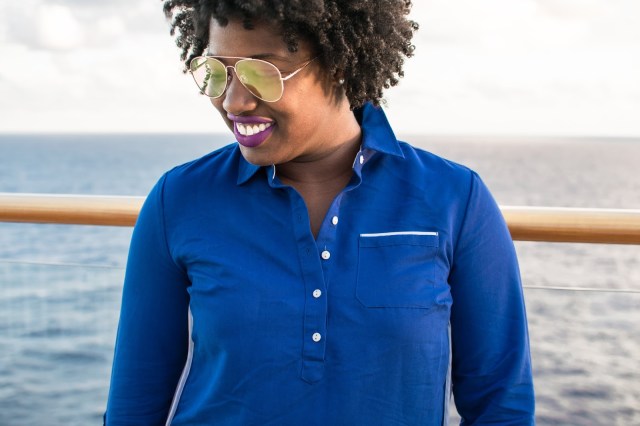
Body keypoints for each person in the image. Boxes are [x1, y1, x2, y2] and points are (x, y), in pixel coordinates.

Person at [105, 1, 535, 424]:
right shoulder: (179, 200)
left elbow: (501, 407)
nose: (234, 102)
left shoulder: (455, 199)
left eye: (262, 72)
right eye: (217, 72)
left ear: (339, 64)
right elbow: (133, 405)